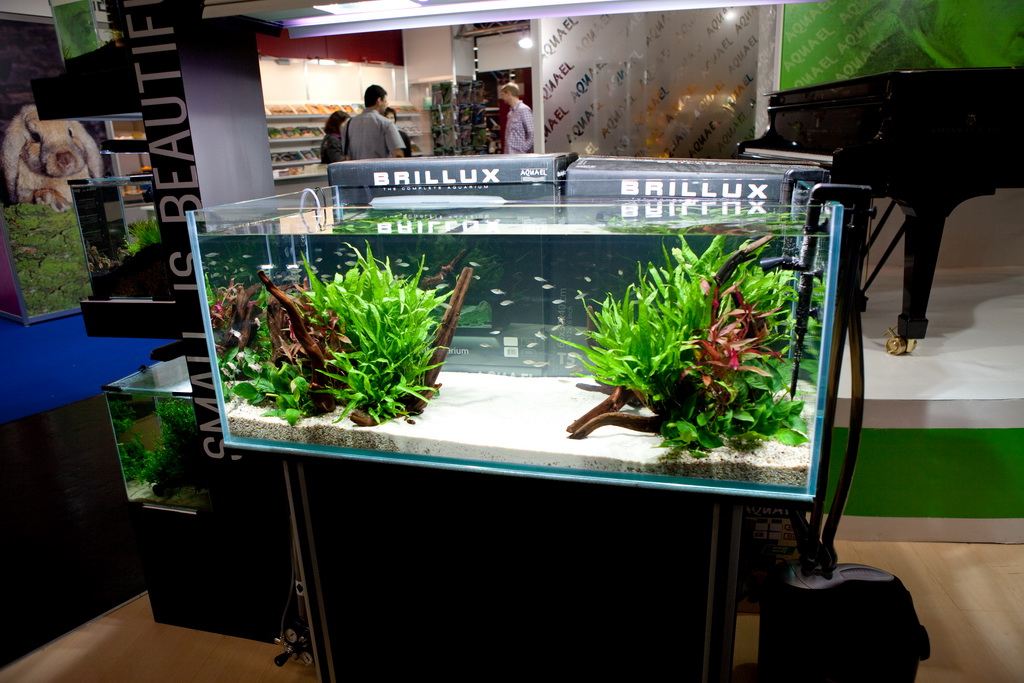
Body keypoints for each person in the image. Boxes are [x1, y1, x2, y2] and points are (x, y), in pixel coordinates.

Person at [342, 85, 405, 160]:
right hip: (380, 167)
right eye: (385, 102)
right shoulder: (386, 123)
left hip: (356, 167)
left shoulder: (349, 124)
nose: (386, 105)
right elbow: (397, 153)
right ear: (379, 101)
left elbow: (346, 156)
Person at [499, 82, 533, 154]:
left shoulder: (524, 109)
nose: (502, 98)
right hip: (509, 155)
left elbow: (532, 133)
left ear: (508, 94)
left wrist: (522, 150)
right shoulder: (510, 113)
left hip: (519, 156)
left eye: (503, 94)